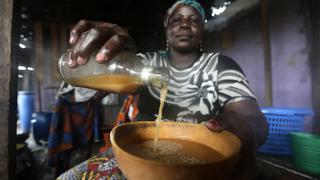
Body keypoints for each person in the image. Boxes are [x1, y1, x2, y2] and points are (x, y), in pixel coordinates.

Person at [58, 0, 269, 179]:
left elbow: (255, 121)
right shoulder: (146, 62)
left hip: (197, 166)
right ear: (166, 26)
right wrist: (111, 58)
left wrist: (246, 127)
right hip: (136, 158)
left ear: (202, 29)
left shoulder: (220, 66)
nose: (185, 25)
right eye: (177, 19)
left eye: (194, 20)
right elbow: (95, 86)